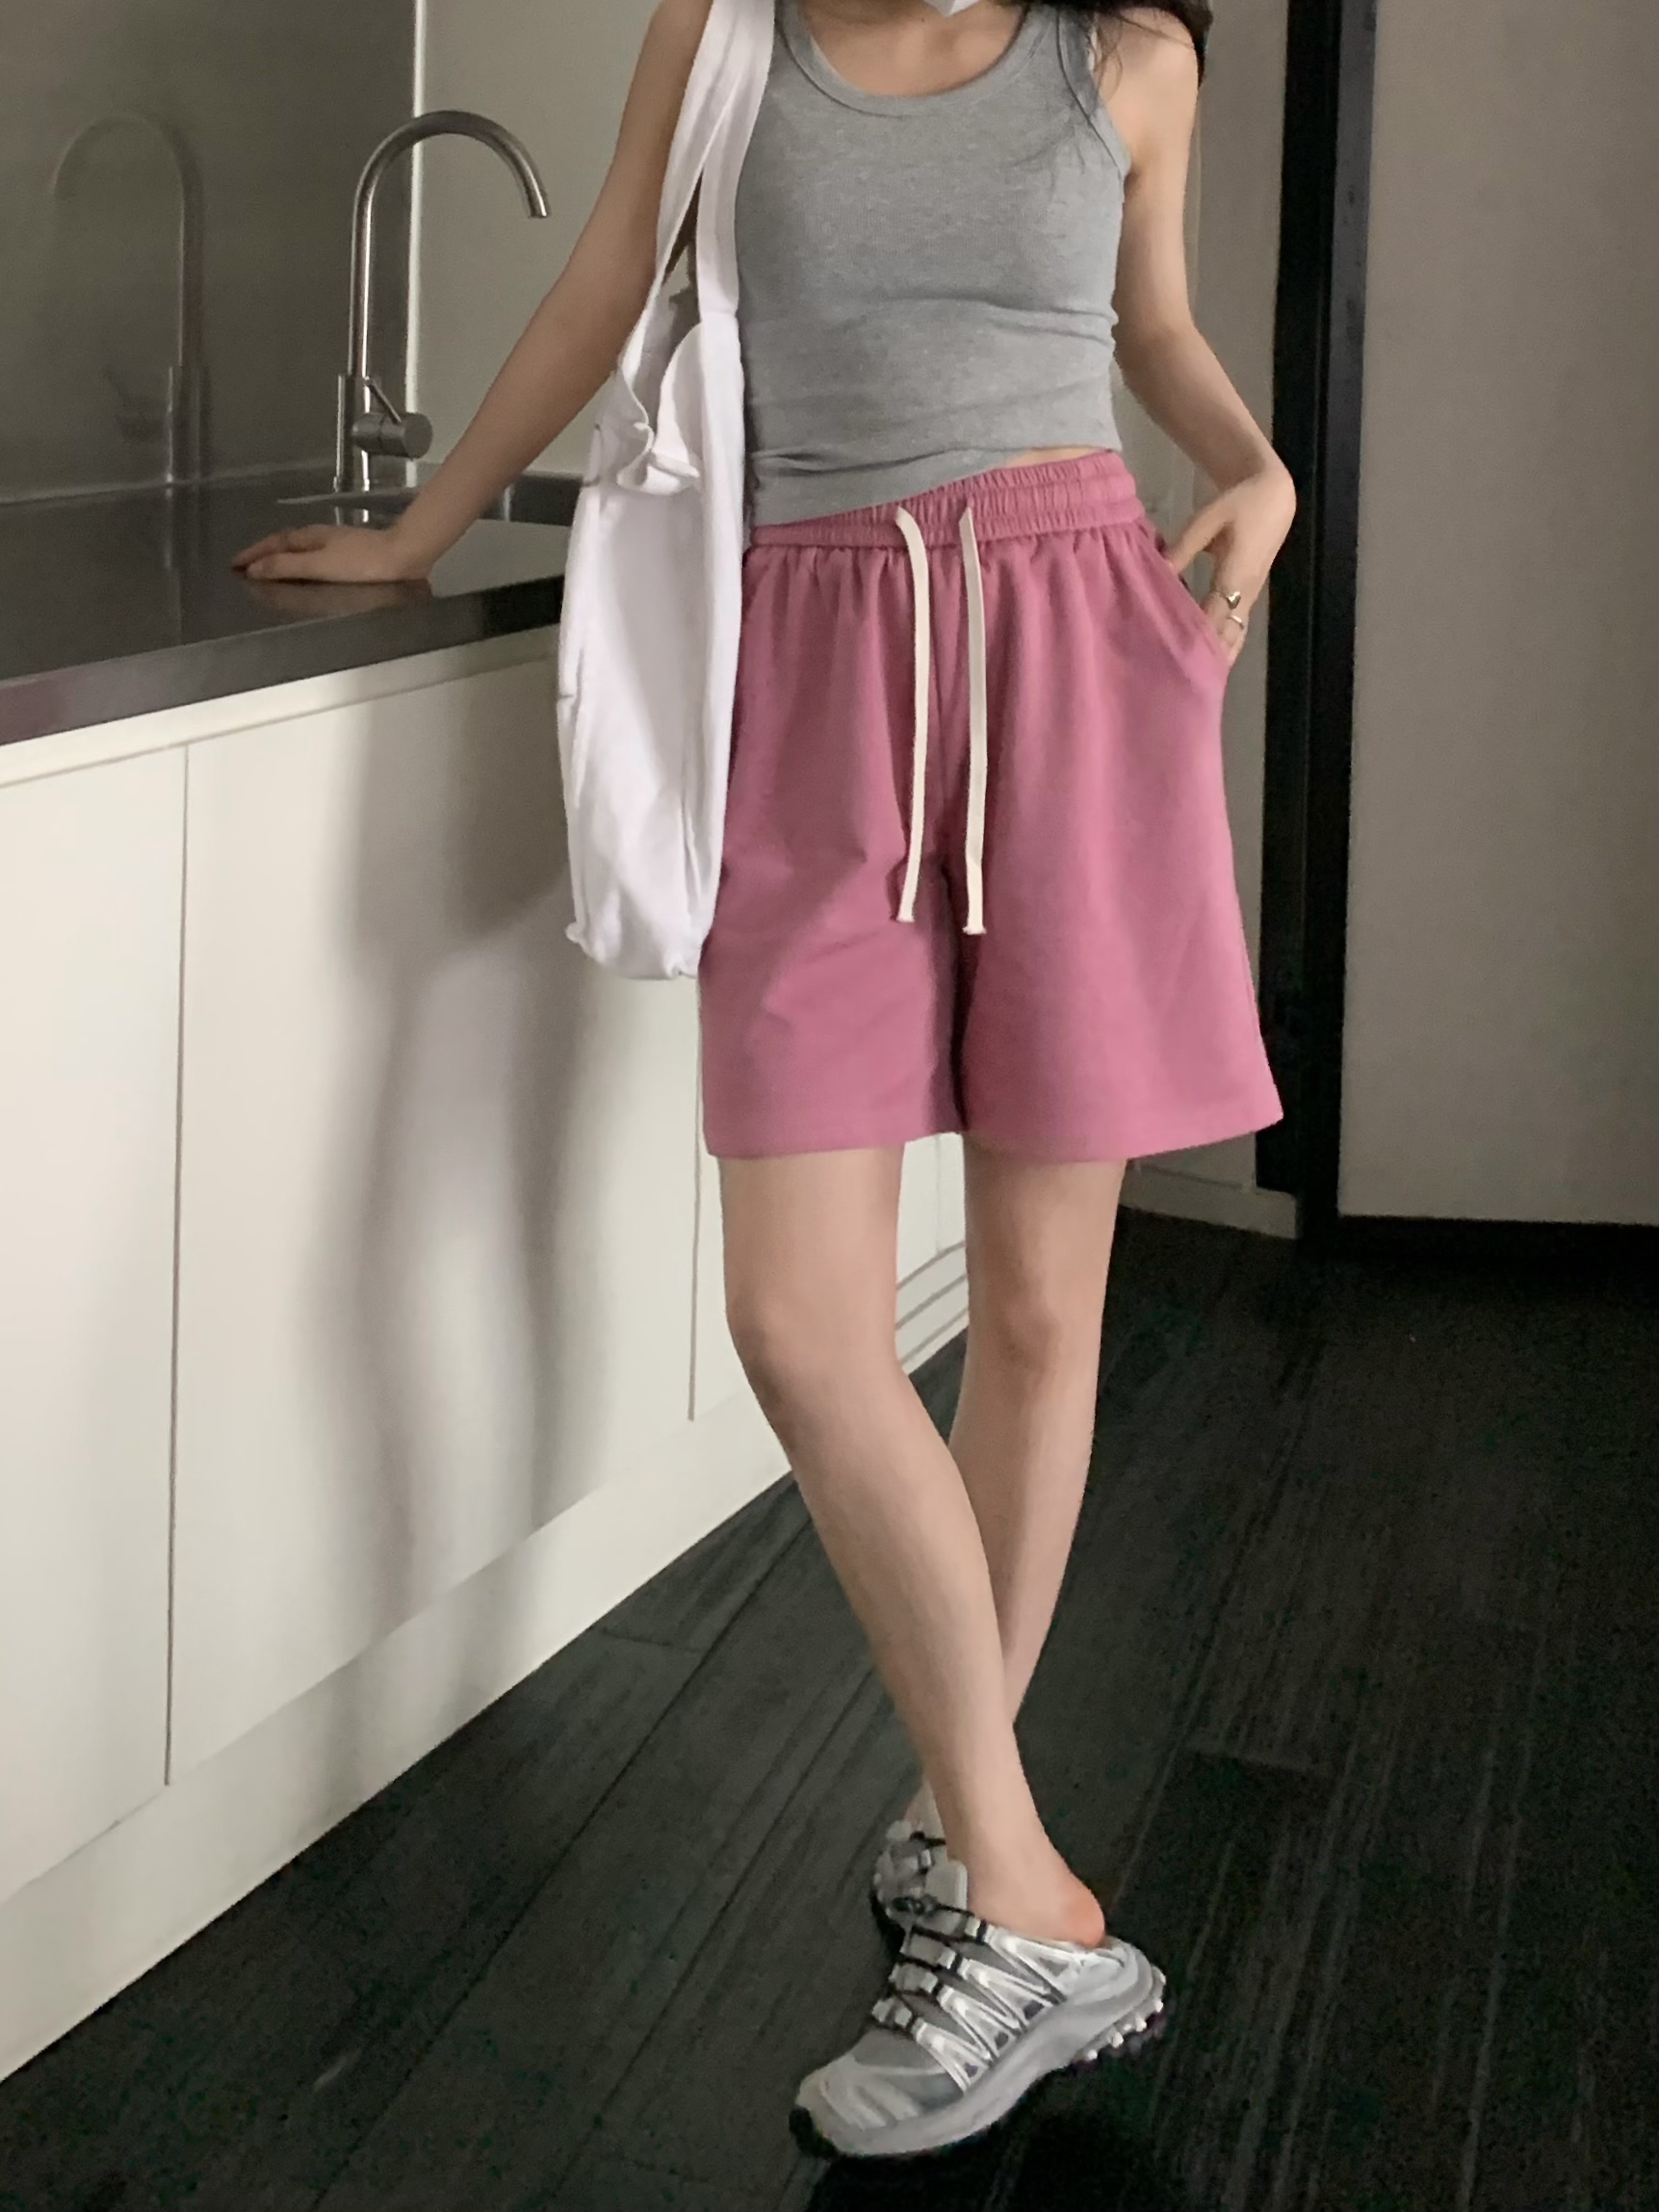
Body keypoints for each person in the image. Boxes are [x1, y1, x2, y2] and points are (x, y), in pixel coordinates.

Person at [235, 0, 1293, 2160]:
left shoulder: (1126, 64)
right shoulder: (728, 34)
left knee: (1037, 1308)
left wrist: (1255, 461)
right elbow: (600, 283)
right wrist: (424, 526)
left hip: (1078, 648)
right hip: (813, 662)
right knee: (804, 1317)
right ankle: (1030, 1894)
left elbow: (1150, 328)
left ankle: (970, 1842)